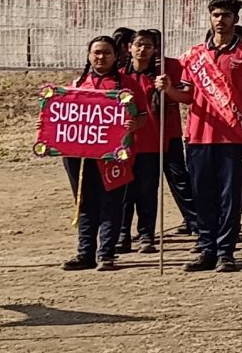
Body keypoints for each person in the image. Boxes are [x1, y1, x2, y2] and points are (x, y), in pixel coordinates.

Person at [164, 0, 242, 273]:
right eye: (216, 15)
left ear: (235, 19)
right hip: (198, 137)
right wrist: (167, 90)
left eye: (225, 15)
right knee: (202, 196)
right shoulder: (196, 55)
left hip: (234, 138)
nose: (220, 20)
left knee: (229, 198)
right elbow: (187, 97)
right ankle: (206, 248)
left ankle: (226, 251)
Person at [64, 36, 135, 271]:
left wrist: (131, 125)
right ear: (88, 55)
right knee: (84, 202)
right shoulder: (77, 84)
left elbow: (142, 116)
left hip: (113, 155)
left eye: (106, 53)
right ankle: (85, 253)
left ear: (116, 56)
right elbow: (62, 117)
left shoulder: (126, 85)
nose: (101, 57)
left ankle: (107, 253)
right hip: (80, 156)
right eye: (96, 52)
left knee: (111, 203)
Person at [124, 28, 183, 254]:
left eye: (148, 46)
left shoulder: (160, 77)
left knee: (147, 191)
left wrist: (165, 88)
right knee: (124, 191)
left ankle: (146, 234)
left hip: (152, 142)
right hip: (124, 143)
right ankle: (122, 234)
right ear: (129, 48)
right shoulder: (120, 76)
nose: (143, 50)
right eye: (138, 45)